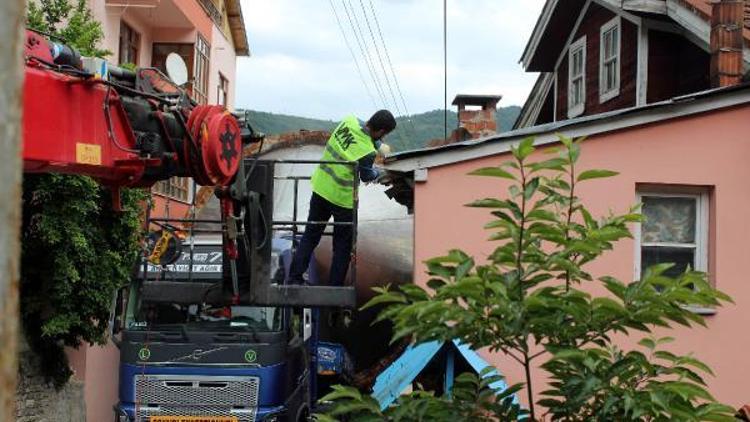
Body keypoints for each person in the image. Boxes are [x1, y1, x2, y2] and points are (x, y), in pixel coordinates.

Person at [288, 110, 397, 286]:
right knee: (342, 248)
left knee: (310, 236)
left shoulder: (349, 121)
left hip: (321, 188)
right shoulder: (367, 152)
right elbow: (367, 176)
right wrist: (383, 172)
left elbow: (359, 137)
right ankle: (334, 287)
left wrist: (378, 145)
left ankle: (294, 279)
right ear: (383, 131)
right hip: (342, 201)